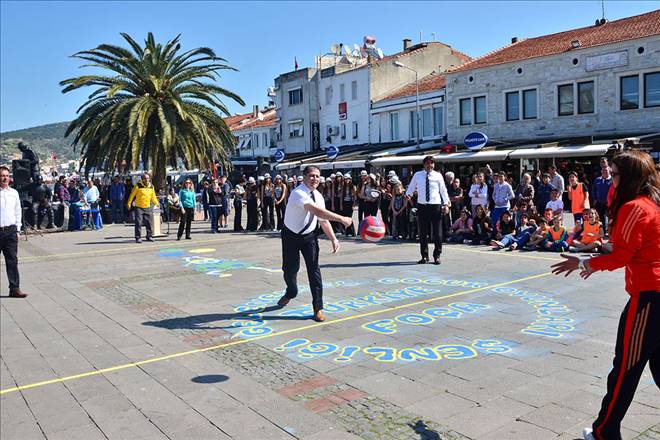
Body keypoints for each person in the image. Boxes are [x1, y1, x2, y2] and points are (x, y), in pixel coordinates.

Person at [551, 150, 659, 440]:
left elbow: (623, 255)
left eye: (614, 174)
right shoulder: (653, 204)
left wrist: (584, 262)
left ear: (630, 178)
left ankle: (605, 431)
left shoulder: (635, 207)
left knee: (625, 368)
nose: (610, 179)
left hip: (649, 299)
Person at [276, 165, 352, 322]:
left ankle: (318, 308)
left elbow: (322, 220)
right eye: (311, 175)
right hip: (291, 235)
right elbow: (317, 212)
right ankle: (291, 292)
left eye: (317, 176)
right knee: (290, 269)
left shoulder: (318, 196)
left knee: (314, 270)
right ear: (304, 177)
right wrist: (341, 218)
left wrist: (333, 239)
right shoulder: (298, 193)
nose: (315, 179)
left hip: (309, 236)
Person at [405, 156, 451, 265]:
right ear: (423, 164)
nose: (429, 165)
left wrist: (446, 204)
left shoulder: (438, 175)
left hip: (435, 206)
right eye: (427, 163)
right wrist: (408, 194)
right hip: (422, 206)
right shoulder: (417, 175)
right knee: (422, 233)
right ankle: (424, 256)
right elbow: (411, 187)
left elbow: (443, 191)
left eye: (431, 163)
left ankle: (437, 255)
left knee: (437, 233)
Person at [0, 166, 27, 297]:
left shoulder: (14, 193)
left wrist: (18, 229)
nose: (5, 178)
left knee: (12, 261)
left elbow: (18, 211)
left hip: (10, 231)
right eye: (2, 176)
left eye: (7, 175)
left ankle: (14, 288)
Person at [126, 172, 159, 243]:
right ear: (142, 179)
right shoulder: (138, 186)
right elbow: (132, 195)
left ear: (149, 179)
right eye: (145, 178)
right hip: (138, 207)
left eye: (148, 178)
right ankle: (138, 237)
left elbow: (153, 196)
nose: (147, 180)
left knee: (149, 223)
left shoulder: (151, 186)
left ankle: (149, 236)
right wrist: (129, 203)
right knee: (138, 223)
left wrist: (157, 203)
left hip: (147, 207)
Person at [591, 166, 612, 236]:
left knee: (610, 218)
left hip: (609, 203)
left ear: (609, 171)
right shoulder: (598, 180)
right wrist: (595, 199)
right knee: (600, 217)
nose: (604, 172)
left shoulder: (612, 180)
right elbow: (593, 189)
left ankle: (610, 232)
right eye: (603, 170)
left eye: (606, 170)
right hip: (599, 202)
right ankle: (602, 231)